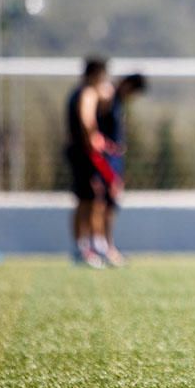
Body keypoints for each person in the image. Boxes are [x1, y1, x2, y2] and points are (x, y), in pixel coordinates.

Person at [65, 57, 118, 268]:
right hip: (85, 153)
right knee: (89, 200)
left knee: (86, 199)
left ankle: (86, 247)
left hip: (78, 152)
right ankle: (84, 248)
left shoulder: (77, 92)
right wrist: (95, 139)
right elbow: (87, 118)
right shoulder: (87, 92)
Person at [96, 72, 148, 267]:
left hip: (115, 160)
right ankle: (100, 247)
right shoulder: (107, 97)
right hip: (105, 159)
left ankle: (107, 247)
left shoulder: (117, 102)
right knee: (103, 203)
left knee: (111, 203)